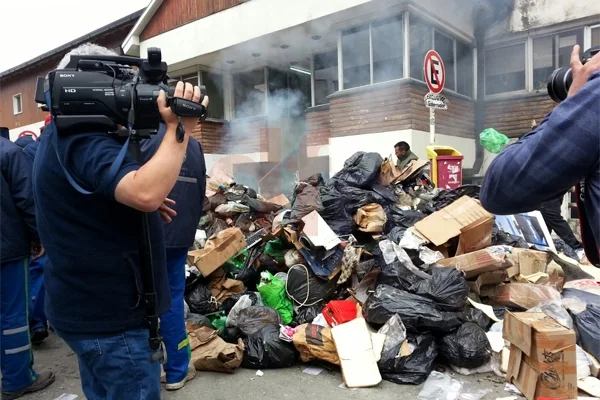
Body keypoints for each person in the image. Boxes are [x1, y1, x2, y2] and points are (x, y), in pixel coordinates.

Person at [33, 43, 209, 399]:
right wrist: (182, 128)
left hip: (86, 310)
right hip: (111, 320)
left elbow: (105, 194)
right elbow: (145, 193)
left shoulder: (61, 136)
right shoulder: (83, 139)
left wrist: (129, 203)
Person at [481, 45, 600, 264]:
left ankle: (574, 246)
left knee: (552, 213)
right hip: (551, 189)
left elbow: (499, 190)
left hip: (545, 190)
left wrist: (574, 99)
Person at [142, 125, 207, 390]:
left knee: (140, 302)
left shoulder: (141, 136)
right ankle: (177, 370)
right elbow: (200, 187)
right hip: (179, 234)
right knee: (171, 302)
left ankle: (149, 369)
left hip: (145, 234)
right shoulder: (191, 142)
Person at [1, 136, 55, 399]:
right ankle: (18, 378)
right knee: (12, 316)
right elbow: (26, 200)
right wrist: (38, 237)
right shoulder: (8, 153)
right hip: (6, 249)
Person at [15, 130, 50, 344]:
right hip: (44, 219)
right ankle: (39, 320)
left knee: (33, 272)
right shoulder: (42, 151)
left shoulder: (19, 153)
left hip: (18, 228)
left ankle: (34, 322)